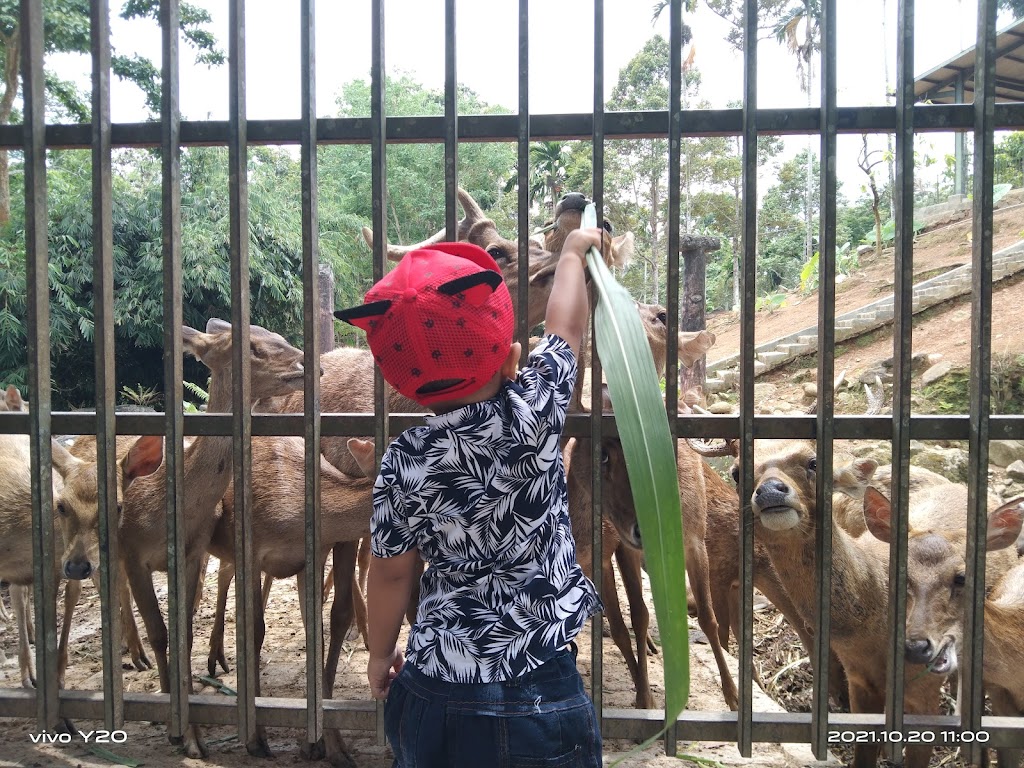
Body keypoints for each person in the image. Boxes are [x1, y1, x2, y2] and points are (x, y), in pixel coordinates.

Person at [334, 228, 606, 768]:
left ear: (407, 386)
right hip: (540, 681)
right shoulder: (536, 410)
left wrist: (381, 653)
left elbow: (390, 574)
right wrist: (572, 253)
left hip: (436, 684)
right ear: (511, 360)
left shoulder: (404, 460)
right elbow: (566, 327)